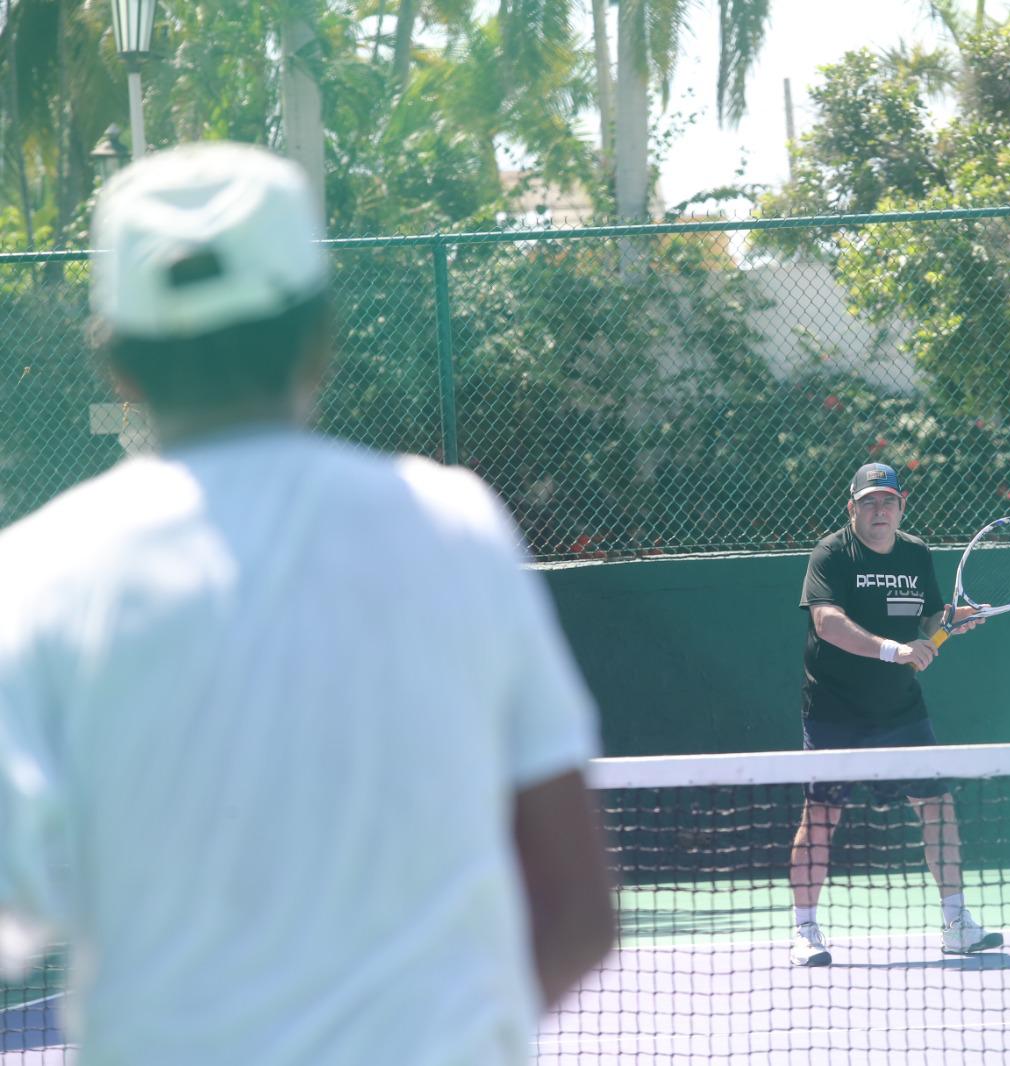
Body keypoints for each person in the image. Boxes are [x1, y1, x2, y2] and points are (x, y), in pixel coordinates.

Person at [0, 142, 614, 1065]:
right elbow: (577, 914)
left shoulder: (34, 574)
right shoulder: (457, 530)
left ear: (115, 362)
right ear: (321, 334)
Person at [788, 461, 1001, 966]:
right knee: (821, 815)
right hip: (834, 709)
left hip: (900, 709)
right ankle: (805, 931)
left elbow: (926, 616)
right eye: (868, 502)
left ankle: (956, 925)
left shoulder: (915, 553)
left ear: (902, 506)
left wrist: (948, 621)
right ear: (852, 508)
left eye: (887, 501)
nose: (878, 510)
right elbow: (828, 622)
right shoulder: (832, 554)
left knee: (937, 804)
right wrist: (894, 650)